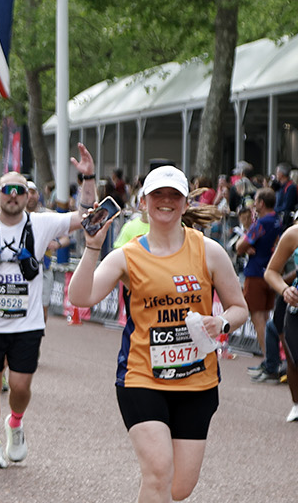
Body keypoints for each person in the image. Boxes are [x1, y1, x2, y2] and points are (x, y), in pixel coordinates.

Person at [69, 166, 248, 503]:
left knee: (179, 488)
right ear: (144, 202)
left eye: (173, 195)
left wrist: (221, 323)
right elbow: (80, 298)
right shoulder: (127, 256)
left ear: (184, 203)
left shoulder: (209, 251)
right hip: (143, 378)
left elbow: (239, 308)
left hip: (197, 381)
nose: (165, 201)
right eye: (158, 195)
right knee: (158, 471)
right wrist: (92, 248)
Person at [0, 153, 97, 470]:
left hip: (26, 324)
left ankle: (14, 423)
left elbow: (87, 216)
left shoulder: (42, 223)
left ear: (28, 196)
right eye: (8, 190)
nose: (14, 196)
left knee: (20, 387)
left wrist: (87, 178)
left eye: (20, 190)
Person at [235, 188, 281, 381]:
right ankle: (272, 359)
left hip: (256, 274)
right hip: (272, 272)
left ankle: (268, 360)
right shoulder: (278, 221)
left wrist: (246, 246)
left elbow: (239, 247)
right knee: (267, 318)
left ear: (262, 203)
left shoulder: (261, 223)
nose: (253, 204)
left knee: (258, 318)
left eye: (256, 201)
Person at [263, 220, 298, 421]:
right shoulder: (293, 234)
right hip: (295, 307)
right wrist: (285, 290)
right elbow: (271, 272)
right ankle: (296, 404)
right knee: (294, 360)